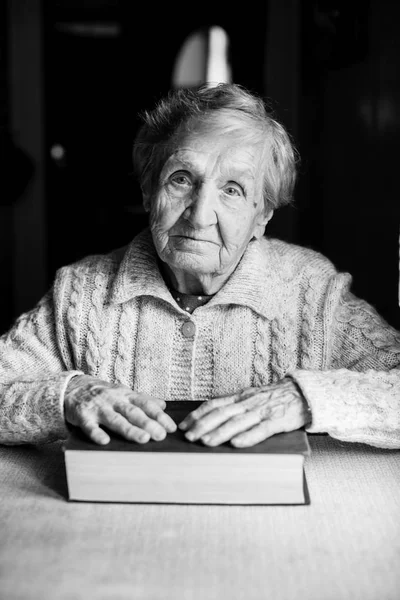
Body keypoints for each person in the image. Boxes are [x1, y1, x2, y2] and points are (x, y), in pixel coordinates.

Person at [1, 83, 399, 449]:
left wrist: (304, 397)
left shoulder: (312, 294)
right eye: (182, 179)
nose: (200, 215)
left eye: (232, 189)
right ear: (148, 191)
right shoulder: (82, 293)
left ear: (262, 216)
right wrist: (69, 394)